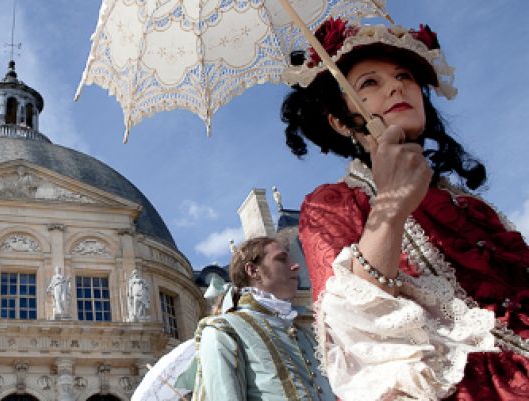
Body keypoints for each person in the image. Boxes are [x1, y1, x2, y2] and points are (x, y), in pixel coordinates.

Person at [280, 18, 529, 400]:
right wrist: (390, 209)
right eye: (370, 83)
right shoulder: (333, 205)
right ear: (340, 121)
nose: (397, 85)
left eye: (404, 75)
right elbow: (358, 333)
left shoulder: (470, 205)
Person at [192, 236, 336, 401]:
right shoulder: (224, 329)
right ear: (253, 271)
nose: (295, 266)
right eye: (281, 259)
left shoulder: (307, 330)